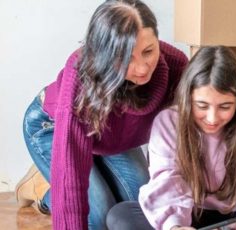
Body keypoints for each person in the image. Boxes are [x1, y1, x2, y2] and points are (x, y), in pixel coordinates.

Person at [16, 0, 188, 229]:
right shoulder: (79, 76)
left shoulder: (178, 68)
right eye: (126, 58)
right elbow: (71, 177)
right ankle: (40, 187)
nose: (143, 68)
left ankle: (68, 186)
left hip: (112, 137)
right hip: (52, 126)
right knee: (99, 215)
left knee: (142, 207)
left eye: (148, 51)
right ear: (104, 54)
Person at [106, 46, 236, 230]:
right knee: (121, 215)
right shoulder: (169, 121)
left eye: (225, 107)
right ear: (187, 98)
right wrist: (175, 226)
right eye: (202, 106)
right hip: (189, 214)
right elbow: (167, 180)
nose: (212, 119)